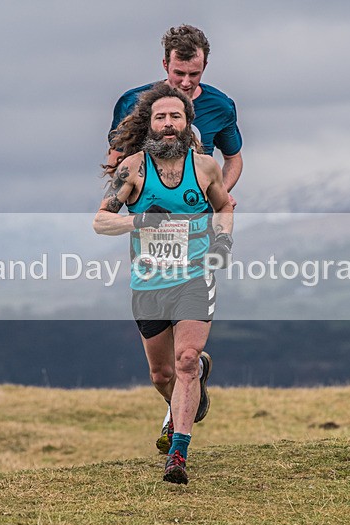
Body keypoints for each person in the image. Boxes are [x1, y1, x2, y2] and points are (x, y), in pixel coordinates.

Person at [93, 83, 234, 484]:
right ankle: (194, 386)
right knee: (162, 375)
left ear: (188, 122)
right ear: (149, 124)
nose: (168, 124)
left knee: (185, 358)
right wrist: (139, 221)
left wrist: (222, 241)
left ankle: (178, 453)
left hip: (194, 275)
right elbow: (101, 221)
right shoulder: (132, 169)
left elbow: (224, 206)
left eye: (176, 116)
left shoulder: (204, 167)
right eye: (161, 117)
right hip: (149, 282)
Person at [105, 24, 243, 208]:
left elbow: (233, 159)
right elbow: (115, 161)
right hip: (151, 213)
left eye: (194, 74)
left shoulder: (220, 106)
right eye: (179, 73)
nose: (186, 82)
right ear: (165, 64)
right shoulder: (132, 102)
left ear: (204, 66)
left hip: (200, 214)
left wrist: (219, 195)